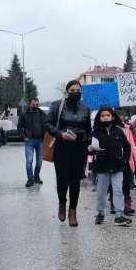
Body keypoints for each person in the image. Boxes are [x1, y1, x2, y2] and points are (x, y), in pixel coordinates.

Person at [46, 80, 91, 227]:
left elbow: (88, 130)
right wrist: (60, 134)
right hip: (62, 148)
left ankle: (73, 211)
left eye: (78, 90)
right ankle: (62, 203)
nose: (76, 92)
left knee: (75, 182)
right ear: (67, 91)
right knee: (62, 179)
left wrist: (89, 145)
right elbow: (47, 124)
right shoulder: (56, 105)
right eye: (73, 90)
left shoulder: (85, 108)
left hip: (79, 149)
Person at [89, 106, 133, 226]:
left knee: (118, 190)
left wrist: (124, 160)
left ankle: (119, 215)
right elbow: (90, 150)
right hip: (102, 166)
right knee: (101, 191)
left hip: (117, 166)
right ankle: (100, 213)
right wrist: (90, 149)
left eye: (107, 115)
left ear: (112, 117)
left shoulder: (119, 130)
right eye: (103, 116)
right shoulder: (95, 132)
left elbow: (127, 147)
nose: (105, 117)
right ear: (99, 117)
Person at [18, 97, 47, 187]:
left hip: (40, 141)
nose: (35, 106)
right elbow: (19, 127)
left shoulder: (42, 114)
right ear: (30, 104)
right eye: (33, 104)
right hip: (29, 141)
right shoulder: (24, 114)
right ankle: (30, 179)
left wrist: (45, 137)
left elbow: (47, 126)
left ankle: (36, 177)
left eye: (37, 105)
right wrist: (24, 136)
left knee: (39, 161)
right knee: (29, 161)